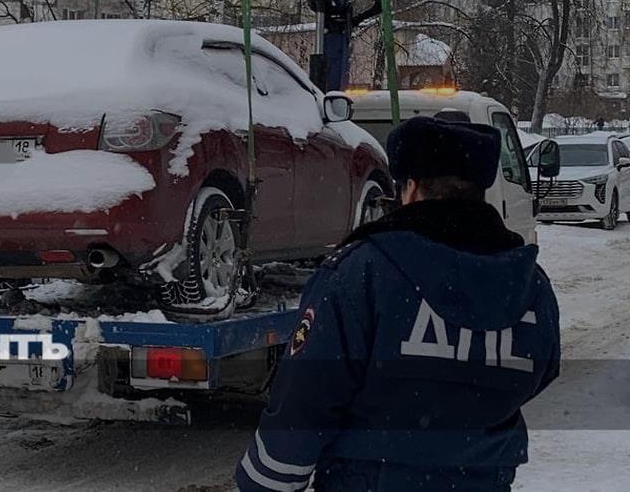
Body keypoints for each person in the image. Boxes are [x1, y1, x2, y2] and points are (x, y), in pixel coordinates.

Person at [236, 116, 561, 492]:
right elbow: (542, 369)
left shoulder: (363, 272)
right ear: (479, 189)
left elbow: (305, 401)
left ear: (410, 188)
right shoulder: (528, 282)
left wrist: (265, 484)